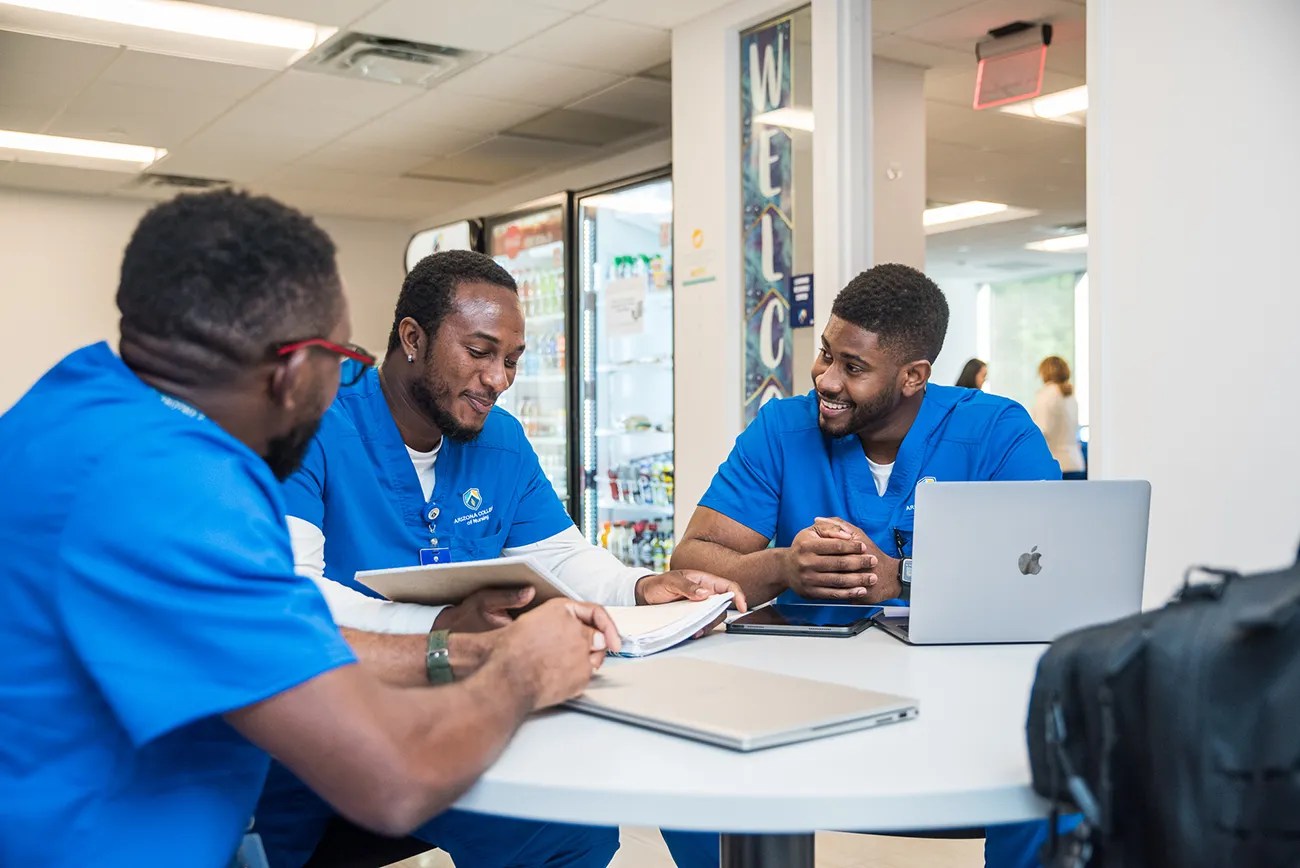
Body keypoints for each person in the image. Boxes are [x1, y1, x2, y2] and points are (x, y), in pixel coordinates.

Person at [0, 190, 623, 868]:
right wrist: (520, 673)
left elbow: (274, 639)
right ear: (297, 369)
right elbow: (393, 778)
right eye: (344, 363)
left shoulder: (67, 418)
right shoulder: (174, 493)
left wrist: (463, 651)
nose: (350, 385)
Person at [254, 249, 745, 868]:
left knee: (571, 829)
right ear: (413, 338)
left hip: (455, 713)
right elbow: (288, 594)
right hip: (324, 725)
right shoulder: (312, 428)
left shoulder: (500, 439)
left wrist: (642, 586)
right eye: (479, 352)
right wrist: (441, 629)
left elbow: (559, 555)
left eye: (511, 360)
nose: (498, 379)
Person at [671, 263, 1070, 868]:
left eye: (853, 368)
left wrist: (901, 576)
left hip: (958, 701)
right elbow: (693, 561)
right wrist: (784, 566)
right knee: (682, 769)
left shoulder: (996, 431)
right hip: (800, 699)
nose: (826, 379)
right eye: (826, 354)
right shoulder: (782, 429)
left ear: (914, 376)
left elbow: (1052, 576)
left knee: (1065, 774)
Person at [1031, 355, 1085, 479]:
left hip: (1057, 464)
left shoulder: (1046, 395)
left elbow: (1042, 430)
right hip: (1075, 462)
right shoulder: (1070, 396)